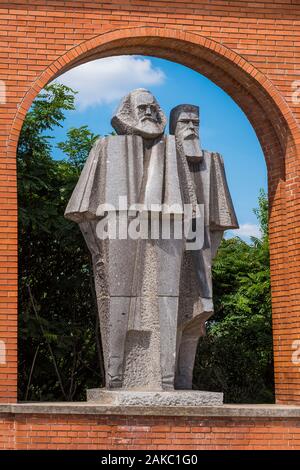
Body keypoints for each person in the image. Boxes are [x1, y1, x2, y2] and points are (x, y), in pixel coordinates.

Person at [170, 104, 239, 389]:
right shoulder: (163, 159)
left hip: (200, 245)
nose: (190, 127)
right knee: (171, 312)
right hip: (170, 244)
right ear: (172, 127)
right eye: (184, 121)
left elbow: (219, 222)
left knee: (197, 312)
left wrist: (207, 259)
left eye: (195, 121)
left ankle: (183, 380)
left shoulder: (212, 160)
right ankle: (164, 380)